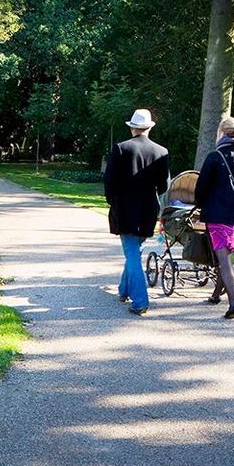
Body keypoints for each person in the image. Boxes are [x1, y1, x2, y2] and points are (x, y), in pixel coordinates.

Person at [104, 109, 170, 315]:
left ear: (132, 127)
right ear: (149, 128)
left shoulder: (121, 148)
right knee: (133, 250)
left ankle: (140, 301)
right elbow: (164, 185)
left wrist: (113, 201)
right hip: (148, 210)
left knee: (132, 253)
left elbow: (109, 181)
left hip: (125, 209)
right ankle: (124, 290)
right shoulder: (161, 151)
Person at [194, 117, 234, 319]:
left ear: (221, 133)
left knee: (223, 260)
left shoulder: (215, 157)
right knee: (226, 258)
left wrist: (199, 204)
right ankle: (216, 295)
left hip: (219, 216)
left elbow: (201, 187)